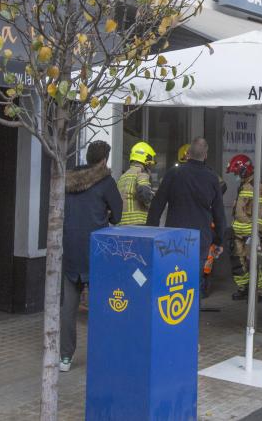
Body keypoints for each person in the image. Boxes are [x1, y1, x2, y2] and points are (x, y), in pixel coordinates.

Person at [60, 141, 122, 372]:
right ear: (104, 160)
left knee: (69, 307)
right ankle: (101, 355)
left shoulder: (68, 179)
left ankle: (65, 357)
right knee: (101, 306)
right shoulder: (106, 182)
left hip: (70, 249)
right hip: (97, 252)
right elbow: (118, 215)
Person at [147, 137, 226, 279]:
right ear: (206, 155)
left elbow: (157, 205)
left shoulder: (173, 173)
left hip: (174, 239)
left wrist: (150, 231)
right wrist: (219, 241)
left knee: (174, 281)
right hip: (200, 239)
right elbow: (219, 212)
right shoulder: (212, 178)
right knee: (195, 282)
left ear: (188, 154)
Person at [226, 154, 262, 300]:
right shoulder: (246, 185)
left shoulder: (257, 186)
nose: (235, 176)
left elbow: (258, 212)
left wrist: (254, 230)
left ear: (245, 170)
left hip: (252, 232)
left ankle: (260, 291)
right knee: (239, 260)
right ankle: (245, 287)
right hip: (243, 232)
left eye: (236, 172)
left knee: (255, 262)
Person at [117, 142, 155, 225]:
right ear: (145, 159)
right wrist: (152, 200)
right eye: (149, 163)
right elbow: (145, 193)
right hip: (137, 224)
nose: (150, 166)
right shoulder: (141, 173)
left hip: (121, 224)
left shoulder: (123, 176)